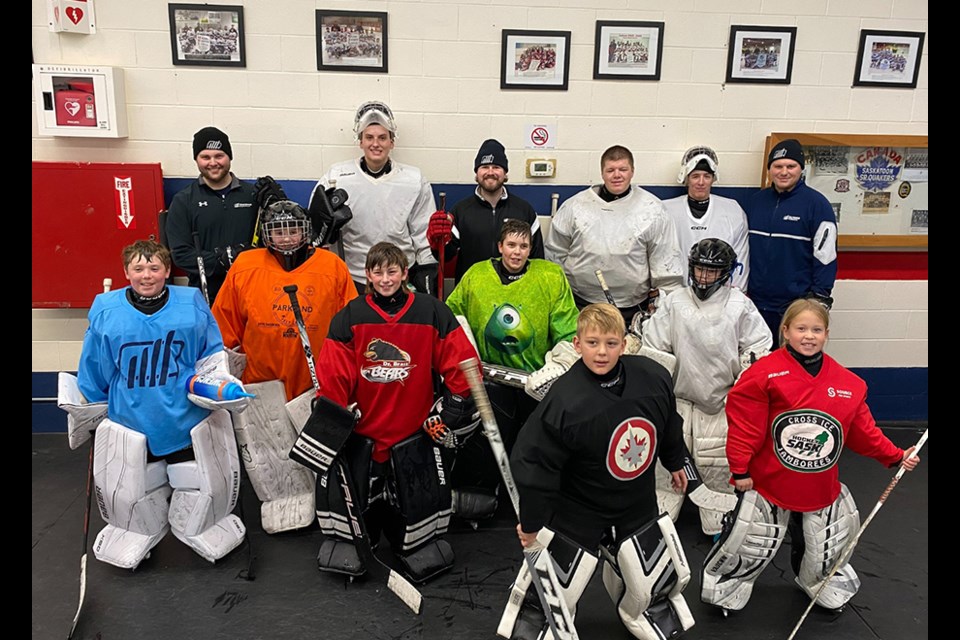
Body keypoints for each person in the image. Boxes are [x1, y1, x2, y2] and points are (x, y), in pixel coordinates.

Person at [701, 298, 921, 614]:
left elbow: (862, 432)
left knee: (827, 546)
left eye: (816, 329)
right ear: (786, 330)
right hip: (768, 482)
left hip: (819, 485)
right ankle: (730, 584)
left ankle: (818, 580)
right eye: (801, 328)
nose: (809, 335)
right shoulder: (763, 374)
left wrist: (897, 455)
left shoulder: (848, 384)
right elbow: (745, 428)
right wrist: (740, 470)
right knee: (749, 542)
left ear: (827, 334)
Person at [500, 303, 695, 640]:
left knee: (657, 588)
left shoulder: (653, 377)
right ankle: (541, 617)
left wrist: (675, 460)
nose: (602, 352)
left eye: (610, 342)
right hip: (579, 508)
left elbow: (667, 422)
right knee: (545, 603)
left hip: (636, 500)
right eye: (592, 343)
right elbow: (535, 467)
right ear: (577, 344)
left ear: (625, 343)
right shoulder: (564, 401)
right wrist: (532, 525)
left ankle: (644, 604)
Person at [307, 242, 480, 584]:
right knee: (359, 500)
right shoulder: (350, 316)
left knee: (416, 501)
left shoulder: (431, 311)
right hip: (364, 433)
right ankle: (354, 540)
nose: (385, 279)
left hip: (414, 431)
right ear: (368, 275)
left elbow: (461, 360)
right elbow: (334, 374)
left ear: (404, 273)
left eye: (392, 271)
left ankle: (416, 543)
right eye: (377, 272)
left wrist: (458, 400)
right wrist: (332, 412)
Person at [74, 239, 249, 569]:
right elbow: (94, 367)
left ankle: (204, 527)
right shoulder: (107, 311)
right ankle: (136, 532)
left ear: (167, 271)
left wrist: (220, 388)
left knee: (201, 483)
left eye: (154, 267)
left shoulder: (190, 304)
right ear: (126, 272)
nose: (147, 275)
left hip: (185, 420)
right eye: (138, 268)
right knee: (131, 491)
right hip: (131, 421)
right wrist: (93, 408)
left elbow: (210, 357)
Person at [212, 200, 357, 534]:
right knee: (273, 454)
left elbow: (350, 322)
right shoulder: (246, 266)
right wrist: (225, 368)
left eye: (292, 229)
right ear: (265, 234)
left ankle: (329, 498)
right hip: (262, 380)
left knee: (321, 451)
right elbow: (225, 324)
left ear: (305, 231)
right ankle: (284, 498)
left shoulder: (331, 266)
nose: (287, 238)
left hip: (316, 381)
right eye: (278, 230)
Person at [444, 219, 578, 521]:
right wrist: (466, 350)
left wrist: (558, 363)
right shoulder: (476, 275)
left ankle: (536, 499)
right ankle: (479, 494)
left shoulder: (551, 276)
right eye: (512, 245)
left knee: (536, 446)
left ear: (531, 249)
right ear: (500, 246)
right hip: (489, 379)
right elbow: (452, 315)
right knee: (485, 442)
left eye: (524, 246)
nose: (517, 252)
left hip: (535, 381)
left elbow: (569, 329)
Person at [639, 238, 771, 536]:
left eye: (711, 272)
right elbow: (654, 347)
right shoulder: (674, 301)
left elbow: (759, 348)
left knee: (717, 462)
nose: (703, 277)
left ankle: (717, 513)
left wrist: (742, 388)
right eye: (699, 270)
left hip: (723, 402)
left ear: (726, 272)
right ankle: (664, 506)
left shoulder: (740, 305)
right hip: (679, 399)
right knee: (668, 460)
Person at [308, 101, 438, 296]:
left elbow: (422, 231)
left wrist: (427, 269)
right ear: (360, 141)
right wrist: (327, 230)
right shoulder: (336, 177)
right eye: (369, 137)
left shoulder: (413, 179)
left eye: (382, 138)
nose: (375, 144)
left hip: (399, 276)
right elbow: (314, 227)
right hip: (353, 276)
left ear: (391, 142)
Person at [544, 145, 684, 323]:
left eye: (623, 169)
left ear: (632, 171)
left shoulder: (653, 210)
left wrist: (663, 309)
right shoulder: (575, 206)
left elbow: (667, 269)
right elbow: (553, 256)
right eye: (610, 170)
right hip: (580, 304)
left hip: (631, 310)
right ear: (602, 173)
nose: (617, 175)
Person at [745, 138, 838, 349]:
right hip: (756, 303)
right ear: (770, 169)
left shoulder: (817, 205)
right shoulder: (756, 202)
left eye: (790, 166)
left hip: (795, 306)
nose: (784, 172)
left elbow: (826, 256)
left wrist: (819, 298)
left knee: (792, 366)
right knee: (757, 363)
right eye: (777, 166)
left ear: (801, 169)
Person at [426, 138, 544, 286]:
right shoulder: (461, 210)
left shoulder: (524, 210)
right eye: (485, 167)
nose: (490, 172)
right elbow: (445, 256)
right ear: (476, 173)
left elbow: (538, 258)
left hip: (515, 292)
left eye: (496, 167)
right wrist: (437, 242)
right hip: (472, 291)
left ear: (505, 173)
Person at [166, 126, 259, 303]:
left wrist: (278, 203)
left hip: (251, 289)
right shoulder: (184, 200)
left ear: (229, 157)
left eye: (219, 156)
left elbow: (268, 243)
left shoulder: (253, 195)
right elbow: (180, 254)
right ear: (196, 159)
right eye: (205, 157)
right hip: (206, 294)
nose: (213, 162)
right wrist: (222, 260)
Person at [662, 145, 750, 291]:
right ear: (686, 178)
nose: (701, 182)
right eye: (695, 176)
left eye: (706, 176)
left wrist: (737, 293)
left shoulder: (733, 211)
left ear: (713, 179)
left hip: (720, 295)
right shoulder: (666, 210)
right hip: (677, 293)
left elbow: (740, 256)